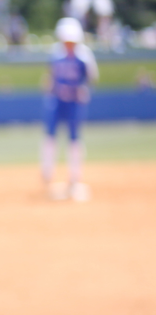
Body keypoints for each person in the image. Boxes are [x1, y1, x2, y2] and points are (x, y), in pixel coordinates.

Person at [41, 17, 99, 202]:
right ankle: (47, 173)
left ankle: (74, 177)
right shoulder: (56, 53)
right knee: (50, 135)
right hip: (57, 101)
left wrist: (84, 90)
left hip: (74, 102)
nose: (68, 44)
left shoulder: (84, 55)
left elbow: (91, 78)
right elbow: (50, 76)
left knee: (74, 137)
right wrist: (50, 86)